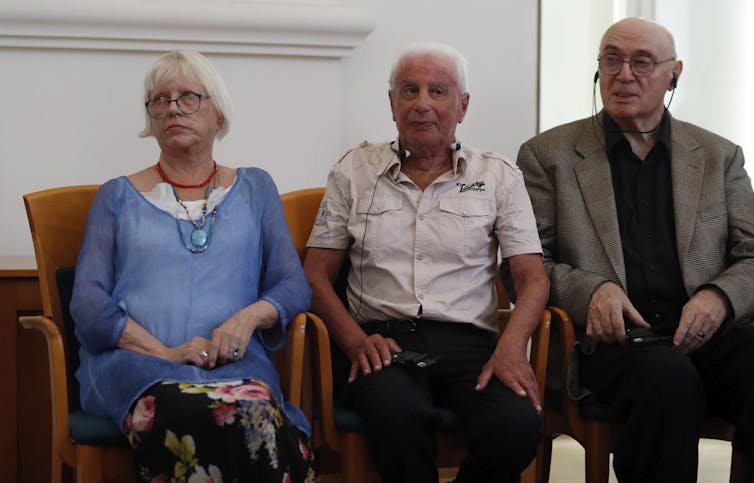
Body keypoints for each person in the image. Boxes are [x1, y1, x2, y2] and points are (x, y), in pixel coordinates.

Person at [517, 17, 754, 482]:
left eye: (641, 62)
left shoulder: (717, 155)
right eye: (611, 60)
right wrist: (591, 291)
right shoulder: (549, 156)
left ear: (674, 73)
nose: (624, 74)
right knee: (669, 380)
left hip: (707, 336)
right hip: (607, 345)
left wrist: (719, 298)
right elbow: (525, 265)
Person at [304, 42, 549, 483]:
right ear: (392, 102)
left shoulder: (497, 176)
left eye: (438, 91)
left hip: (471, 344)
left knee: (516, 423)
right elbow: (316, 274)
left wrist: (512, 348)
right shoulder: (353, 171)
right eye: (409, 91)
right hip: (384, 344)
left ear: (463, 105)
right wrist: (356, 342)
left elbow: (532, 280)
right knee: (396, 415)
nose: (422, 104)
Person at [70, 50, 318, 482]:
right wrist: (165, 353)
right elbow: (88, 304)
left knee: (253, 410)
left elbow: (292, 286)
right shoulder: (116, 196)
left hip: (235, 367)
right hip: (136, 369)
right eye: (160, 100)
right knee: (190, 409)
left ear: (218, 113)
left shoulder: (256, 189)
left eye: (188, 97)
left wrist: (246, 320)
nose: (172, 109)